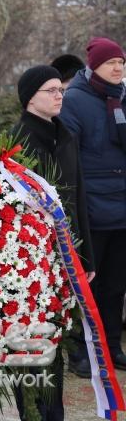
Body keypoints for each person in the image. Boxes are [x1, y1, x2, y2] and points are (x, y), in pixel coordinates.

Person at [11, 65, 91, 421]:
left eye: (61, 89)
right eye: (51, 90)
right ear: (31, 97)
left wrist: (85, 253)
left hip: (64, 255)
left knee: (55, 338)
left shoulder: (66, 134)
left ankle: (54, 419)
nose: (60, 95)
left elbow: (78, 197)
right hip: (30, 257)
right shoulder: (18, 139)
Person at [59, 37, 126, 377]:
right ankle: (81, 351)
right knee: (86, 287)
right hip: (91, 210)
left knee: (116, 286)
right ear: (94, 66)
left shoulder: (123, 97)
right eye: (111, 62)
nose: (117, 68)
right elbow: (70, 158)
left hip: (122, 208)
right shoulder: (74, 100)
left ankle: (112, 346)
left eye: (121, 62)